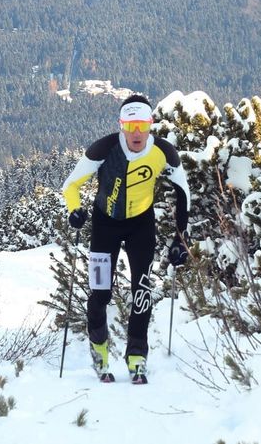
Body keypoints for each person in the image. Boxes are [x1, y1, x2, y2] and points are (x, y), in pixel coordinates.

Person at [61, 93, 190, 384]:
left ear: (150, 124)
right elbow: (71, 185)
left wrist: (181, 238)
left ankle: (137, 356)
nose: (136, 133)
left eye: (142, 125)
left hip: (141, 226)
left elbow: (183, 192)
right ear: (121, 125)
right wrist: (74, 210)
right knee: (100, 294)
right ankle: (99, 350)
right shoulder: (104, 148)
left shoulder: (164, 152)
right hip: (105, 225)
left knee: (141, 292)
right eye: (129, 125)